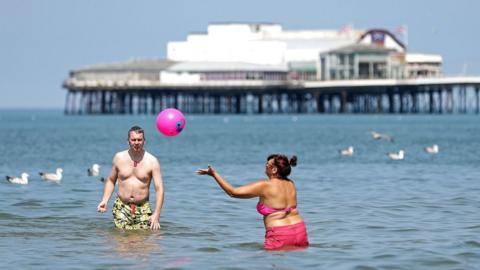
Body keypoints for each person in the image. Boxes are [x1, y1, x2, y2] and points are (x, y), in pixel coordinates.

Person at [196, 154, 309, 250]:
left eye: (267, 165)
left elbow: (233, 192)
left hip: (280, 234)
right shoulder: (291, 184)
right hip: (300, 230)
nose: (265, 166)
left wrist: (214, 174)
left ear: (274, 170)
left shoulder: (264, 185)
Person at [97, 126, 164, 230]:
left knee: (143, 242)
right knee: (122, 242)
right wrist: (105, 200)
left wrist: (157, 214)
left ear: (144, 141)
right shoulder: (119, 158)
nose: (136, 142)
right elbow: (111, 180)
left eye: (139, 140)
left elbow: (159, 189)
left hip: (142, 207)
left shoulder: (152, 161)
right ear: (128, 141)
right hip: (121, 207)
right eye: (133, 140)